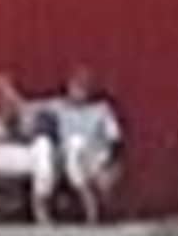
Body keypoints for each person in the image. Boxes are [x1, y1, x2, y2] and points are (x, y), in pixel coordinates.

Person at [0, 72, 63, 223]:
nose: (4, 98)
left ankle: (39, 202)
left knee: (43, 147)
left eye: (7, 93)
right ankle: (40, 206)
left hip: (23, 156)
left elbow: (34, 127)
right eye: (0, 94)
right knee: (42, 158)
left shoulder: (23, 115)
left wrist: (19, 109)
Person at [43, 65, 124, 221]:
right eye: (76, 87)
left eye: (83, 87)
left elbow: (115, 139)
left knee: (77, 146)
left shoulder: (101, 110)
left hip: (94, 156)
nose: (79, 92)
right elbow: (22, 108)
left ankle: (91, 205)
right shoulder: (57, 107)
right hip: (64, 157)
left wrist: (111, 166)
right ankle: (87, 204)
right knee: (71, 147)